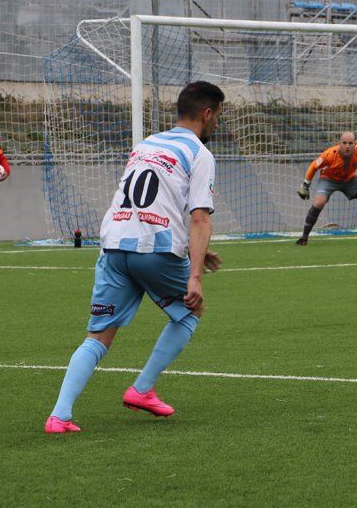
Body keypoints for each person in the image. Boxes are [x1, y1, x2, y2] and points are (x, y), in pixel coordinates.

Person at [44, 81, 225, 434]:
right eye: (219, 115)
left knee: (97, 337)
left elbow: (149, 200)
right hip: (154, 250)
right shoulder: (199, 154)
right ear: (207, 113)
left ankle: (60, 415)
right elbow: (200, 217)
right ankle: (142, 389)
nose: (218, 122)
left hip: (114, 244)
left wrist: (193, 250)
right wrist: (195, 276)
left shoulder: (147, 144)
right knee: (191, 310)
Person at [296, 131, 357, 245]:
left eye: (350, 143)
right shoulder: (330, 154)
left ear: (355, 144)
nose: (347, 146)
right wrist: (305, 186)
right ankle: (304, 238)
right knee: (319, 203)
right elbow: (313, 166)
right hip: (328, 179)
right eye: (344, 143)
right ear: (340, 144)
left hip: (349, 180)